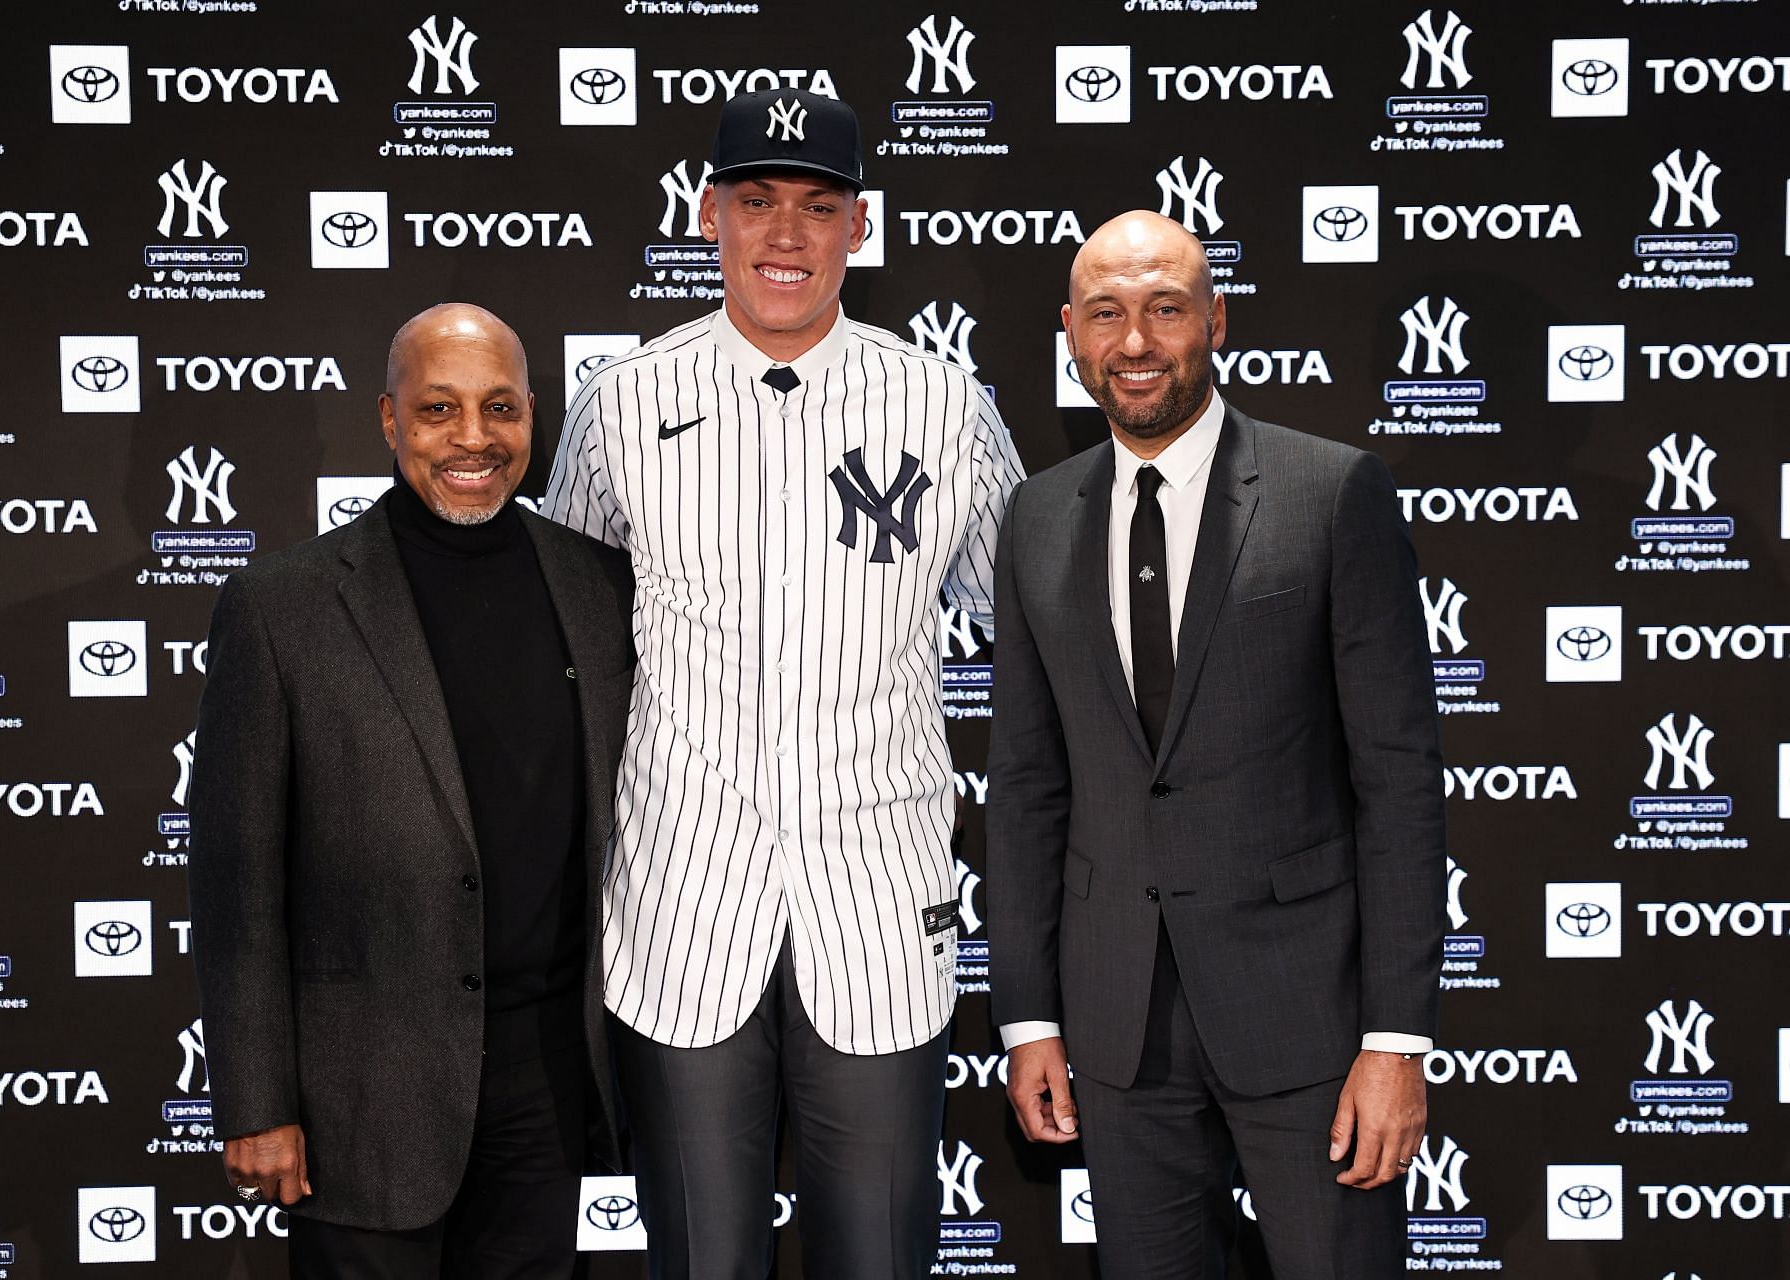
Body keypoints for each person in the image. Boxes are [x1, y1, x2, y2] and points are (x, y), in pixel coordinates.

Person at [543, 89, 1024, 1278]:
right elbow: (567, 629)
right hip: (680, 907)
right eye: (757, 202)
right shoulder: (622, 403)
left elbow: (1033, 619)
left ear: (859, 225)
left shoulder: (944, 405)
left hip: (877, 905)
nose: (786, 235)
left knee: (880, 1257)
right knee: (704, 1260)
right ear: (710, 214)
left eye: (819, 205)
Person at [987, 210, 1444, 1278]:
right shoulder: (1038, 516)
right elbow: (1024, 786)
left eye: (1164, 308)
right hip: (1114, 1026)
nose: (1135, 341)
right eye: (1106, 312)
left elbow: (1399, 783)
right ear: (1071, 331)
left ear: (1216, 321)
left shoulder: (1330, 493)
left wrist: (1396, 1041)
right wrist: (1028, 1017)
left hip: (1312, 1025)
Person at [186, 303, 633, 1278]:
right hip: (362, 1093)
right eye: (439, 409)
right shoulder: (283, 607)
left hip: (549, 1082)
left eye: (499, 408)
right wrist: (258, 1100)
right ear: (390, 421)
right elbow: (235, 883)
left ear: (530, 418)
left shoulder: (601, 588)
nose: (473, 438)